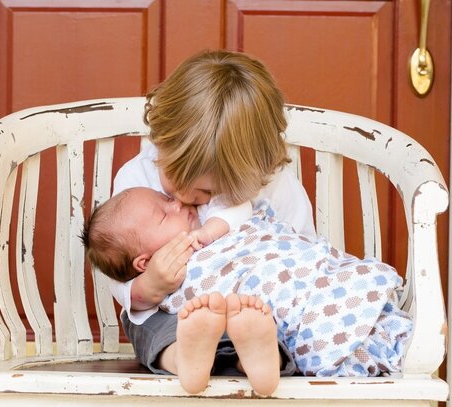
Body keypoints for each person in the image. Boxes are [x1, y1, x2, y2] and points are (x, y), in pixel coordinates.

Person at [103, 49, 315, 394]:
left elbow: (304, 253)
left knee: (277, 328)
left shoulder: (277, 187)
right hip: (180, 316)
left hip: (257, 310)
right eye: (173, 178)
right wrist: (146, 288)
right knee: (146, 325)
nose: (185, 197)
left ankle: (259, 358)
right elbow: (118, 261)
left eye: (205, 191)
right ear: (160, 140)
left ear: (252, 172)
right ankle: (184, 357)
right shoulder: (137, 177)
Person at [83, 186, 412, 379]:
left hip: (309, 283)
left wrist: (211, 231)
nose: (177, 202)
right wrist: (151, 285)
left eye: (166, 198)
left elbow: (259, 224)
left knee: (253, 311)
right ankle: (239, 355)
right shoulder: (136, 188)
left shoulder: (215, 212)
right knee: (198, 316)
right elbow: (130, 294)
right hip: (253, 310)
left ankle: (255, 355)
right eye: (164, 213)